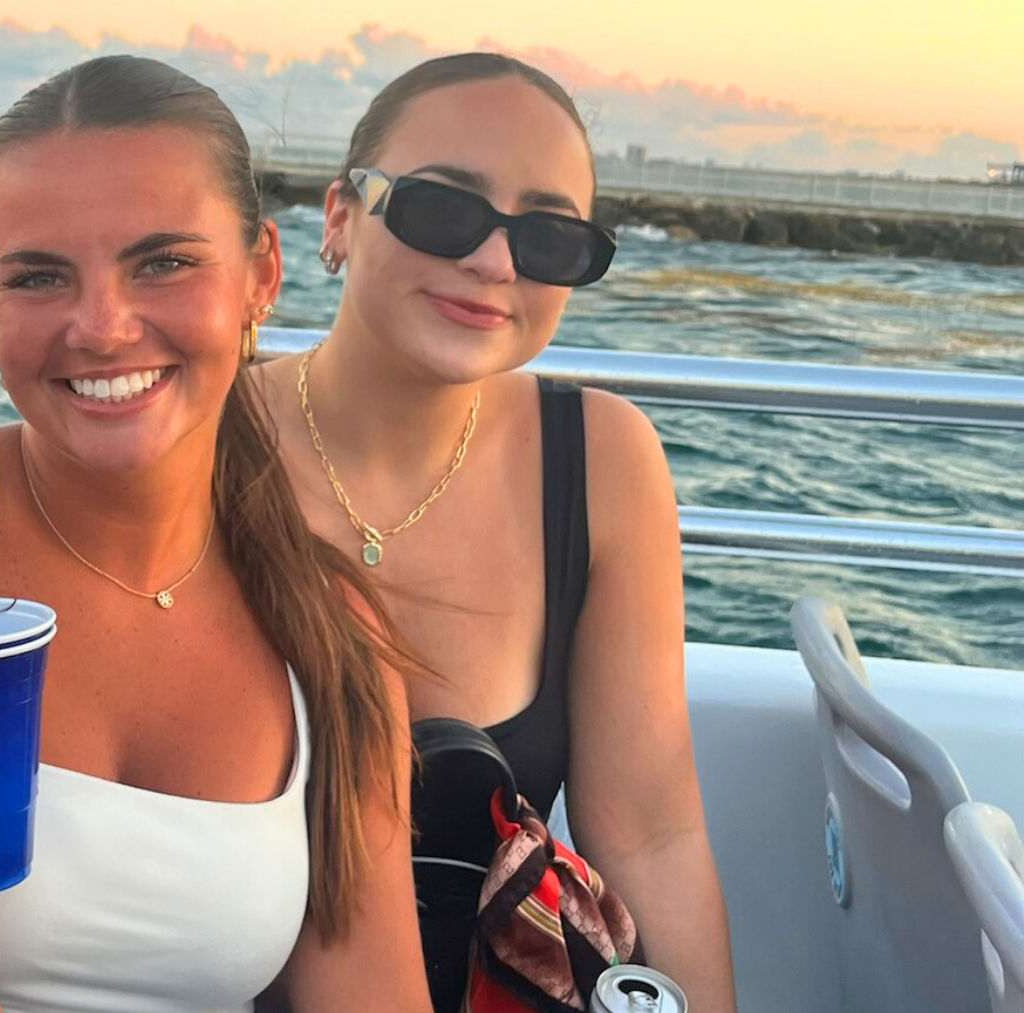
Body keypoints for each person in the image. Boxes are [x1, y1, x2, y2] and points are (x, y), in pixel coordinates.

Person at [0, 56, 429, 1013]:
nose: (100, 327)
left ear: (262, 274)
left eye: (162, 262)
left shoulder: (330, 636)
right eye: (40, 276)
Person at [250, 53, 738, 1011]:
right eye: (443, 209)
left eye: (549, 237)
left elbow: (650, 834)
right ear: (339, 216)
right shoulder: (204, 440)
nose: (495, 262)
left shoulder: (602, 457)